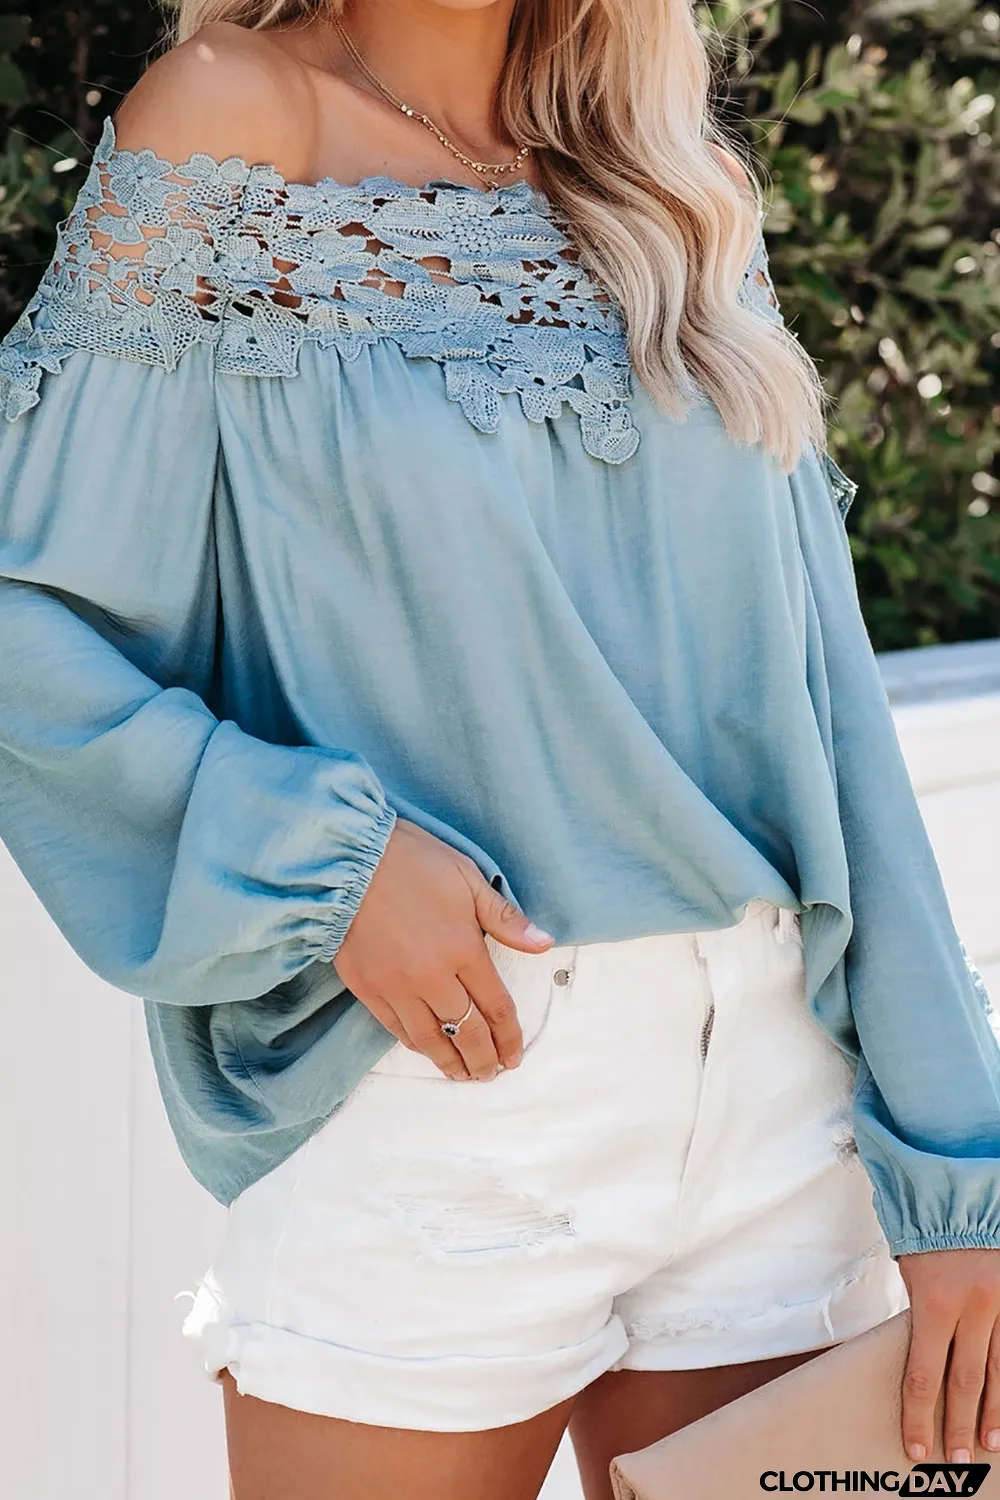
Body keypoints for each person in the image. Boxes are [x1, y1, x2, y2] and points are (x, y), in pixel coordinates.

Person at [2, 1, 999, 1496]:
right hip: (453, 1086)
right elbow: (27, 616)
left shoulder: (665, 177)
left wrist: (958, 1159)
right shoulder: (228, 117)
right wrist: (326, 866)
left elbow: (827, 704)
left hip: (779, 1104)